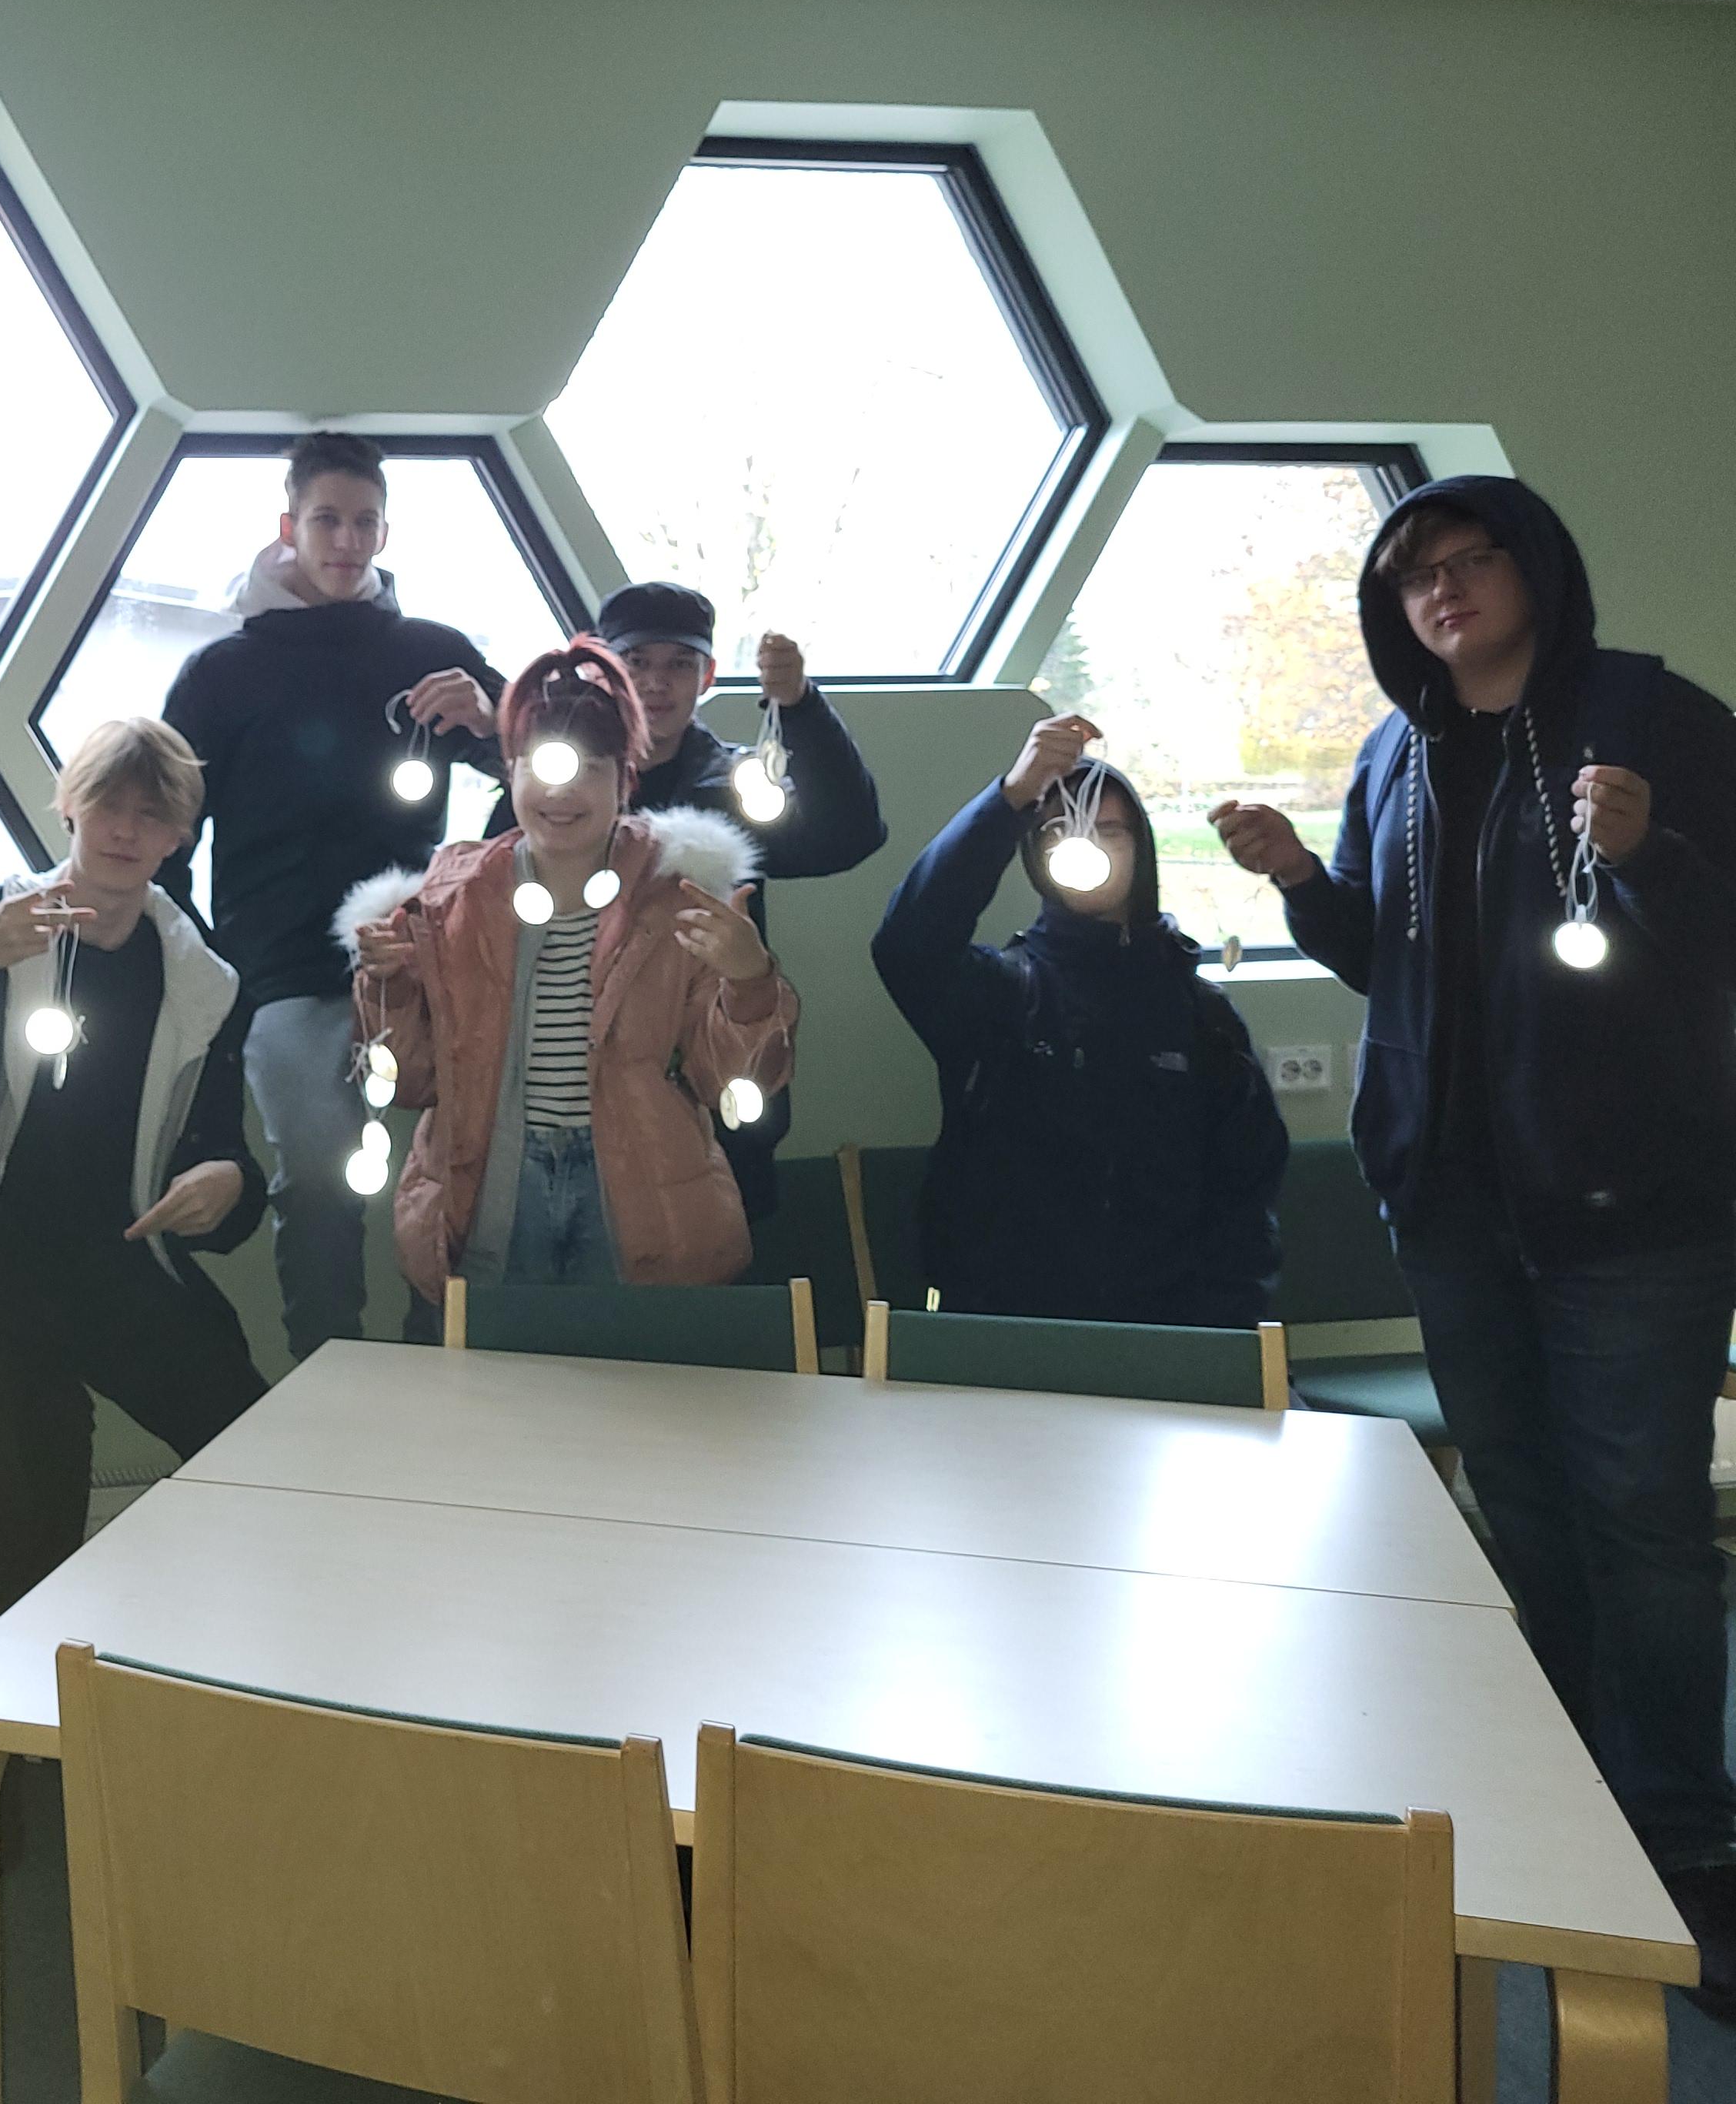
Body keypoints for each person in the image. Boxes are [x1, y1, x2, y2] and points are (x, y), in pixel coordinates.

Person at [1211, 475, 1736, 2011]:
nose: (1438, 588)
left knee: (1640, 1518)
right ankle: (1568, 1793)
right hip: (1448, 1206)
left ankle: (1684, 1841)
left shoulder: (1656, 720)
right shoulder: (1395, 752)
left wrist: (1649, 855)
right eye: (1409, 575)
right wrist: (1301, 883)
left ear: (1534, 568)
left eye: (1467, 558)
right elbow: (1388, 965)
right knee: (1522, 1505)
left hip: (1631, 1209)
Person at [0, 719, 266, 1661]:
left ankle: (221, 1675)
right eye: (107, 806)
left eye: (150, 815)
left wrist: (228, 1183)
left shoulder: (200, 978)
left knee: (258, 1446)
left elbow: (221, 1156)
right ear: (68, 808)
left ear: (178, 835)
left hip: (116, 1262)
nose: (125, 831)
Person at [160, 430, 506, 1354]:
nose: (346, 541)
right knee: (316, 1180)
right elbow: (164, 827)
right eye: (326, 520)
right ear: (288, 527)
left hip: (423, 965)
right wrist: (201, 961)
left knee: (460, 1174)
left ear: (385, 532)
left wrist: (491, 718)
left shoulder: (433, 654)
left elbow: (554, 787)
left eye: (363, 522)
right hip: (280, 972)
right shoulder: (223, 672)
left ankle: (444, 1362)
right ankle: (329, 1373)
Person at [340, 641, 796, 1298]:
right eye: (541, 766)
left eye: (590, 769)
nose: (561, 792)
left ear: (624, 779)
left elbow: (729, 1082)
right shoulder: (450, 902)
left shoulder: (677, 897)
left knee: (631, 1362)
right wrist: (389, 986)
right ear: (511, 772)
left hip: (640, 1195)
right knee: (497, 1362)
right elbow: (410, 1082)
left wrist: (749, 980)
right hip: (494, 1192)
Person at [872, 713, 1287, 1328]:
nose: (1088, 846)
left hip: (1171, 1332)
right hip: (1010, 1329)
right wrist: (1011, 798)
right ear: (1038, 854)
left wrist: (1225, 1336)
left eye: (1110, 832)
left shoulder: (1203, 1017)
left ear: (1139, 850)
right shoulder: (1001, 994)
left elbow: (1246, 1193)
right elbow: (908, 945)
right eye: (1061, 832)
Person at [487, 583, 885, 1217]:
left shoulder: (740, 793)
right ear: (601, 671)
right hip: (563, 1088)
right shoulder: (552, 791)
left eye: (679, 663)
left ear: (708, 676)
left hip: (716, 1081)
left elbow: (850, 835)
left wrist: (802, 708)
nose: (656, 683)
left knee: (713, 1256)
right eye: (637, 661)